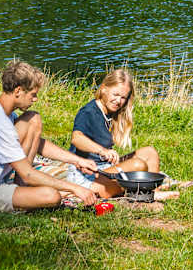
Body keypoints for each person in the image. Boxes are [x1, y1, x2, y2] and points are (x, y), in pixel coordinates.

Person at [0, 60, 99, 213]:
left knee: (33, 119)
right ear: (18, 91)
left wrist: (78, 160)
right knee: (51, 196)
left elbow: (39, 143)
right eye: (33, 95)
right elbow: (27, 174)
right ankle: (20, 193)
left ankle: (21, 189)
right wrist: (76, 189)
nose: (35, 99)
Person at [67, 68, 180, 199]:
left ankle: (153, 190)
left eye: (123, 97)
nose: (118, 101)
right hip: (86, 176)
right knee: (138, 165)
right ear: (103, 88)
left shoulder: (112, 113)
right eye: (115, 94)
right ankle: (147, 194)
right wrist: (102, 151)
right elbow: (77, 138)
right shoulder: (88, 112)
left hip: (104, 169)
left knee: (150, 152)